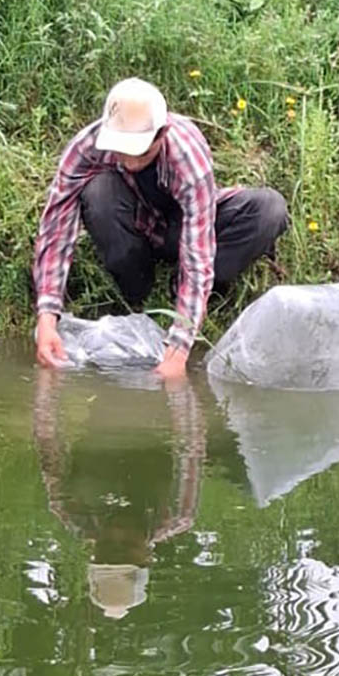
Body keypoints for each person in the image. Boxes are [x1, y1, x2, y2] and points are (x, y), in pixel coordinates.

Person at [32, 77, 289, 380]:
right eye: (121, 150)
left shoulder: (188, 155)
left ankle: (190, 293)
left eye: (140, 152)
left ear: (162, 133)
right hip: (134, 223)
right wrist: (47, 317)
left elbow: (199, 251)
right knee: (98, 191)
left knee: (269, 209)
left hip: (184, 226)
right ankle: (136, 287)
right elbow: (56, 226)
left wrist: (179, 348)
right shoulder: (87, 146)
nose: (129, 162)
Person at [32, 369, 205, 619]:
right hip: (160, 417)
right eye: (126, 545)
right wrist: (179, 386)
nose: (117, 533)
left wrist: (48, 381)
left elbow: (47, 442)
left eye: (108, 547)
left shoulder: (72, 510)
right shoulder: (178, 514)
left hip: (102, 417)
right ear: (148, 557)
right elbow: (191, 445)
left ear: (94, 552)